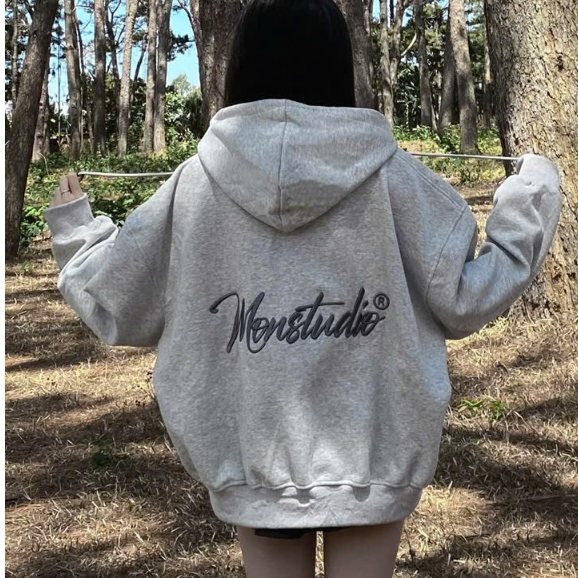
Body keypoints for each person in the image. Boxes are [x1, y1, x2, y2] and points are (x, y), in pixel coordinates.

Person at [44, 0, 561, 576]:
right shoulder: (395, 179)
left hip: (252, 459)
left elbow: (118, 303)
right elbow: (466, 298)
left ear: (241, 67)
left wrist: (77, 232)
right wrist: (532, 199)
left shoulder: (195, 186)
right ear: (340, 67)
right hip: (374, 458)